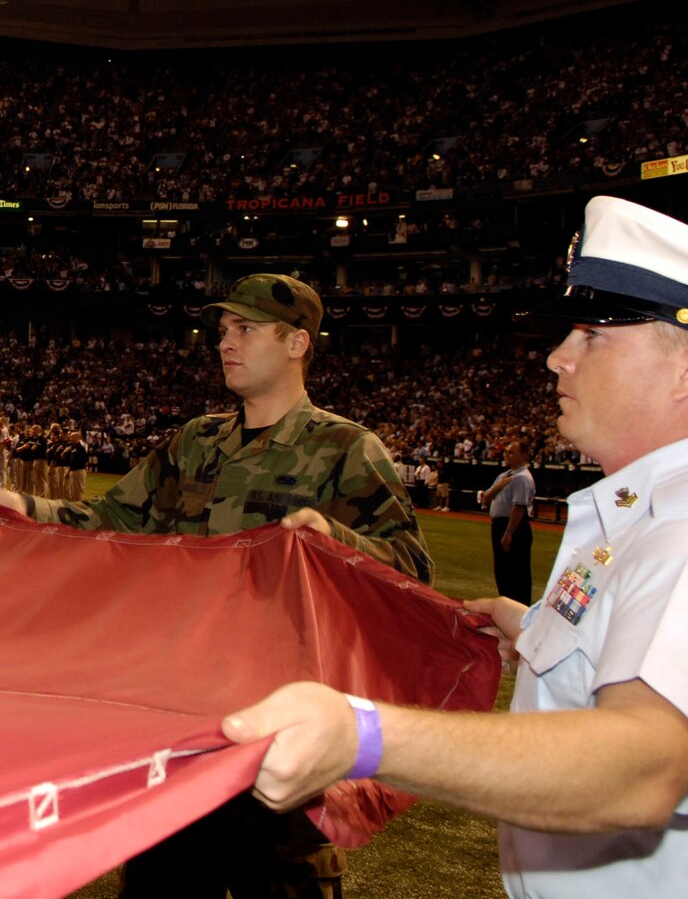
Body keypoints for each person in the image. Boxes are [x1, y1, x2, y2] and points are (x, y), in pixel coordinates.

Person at [222, 195, 688, 899]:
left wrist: (363, 737)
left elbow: (647, 768)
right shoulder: (638, 510)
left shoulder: (678, 522)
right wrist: (537, 629)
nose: (557, 357)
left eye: (593, 335)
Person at [0, 272, 430, 898]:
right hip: (181, 730)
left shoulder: (345, 449)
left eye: (245, 329)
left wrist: (334, 540)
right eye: (222, 330)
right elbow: (115, 520)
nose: (225, 342)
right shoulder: (196, 442)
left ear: (297, 343)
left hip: (282, 742)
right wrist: (25, 509)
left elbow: (410, 572)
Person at [480, 440, 537, 605]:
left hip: (513, 527)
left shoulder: (522, 478)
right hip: (498, 525)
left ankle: (518, 609)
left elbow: (518, 508)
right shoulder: (503, 476)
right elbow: (485, 500)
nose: (507, 455)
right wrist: (498, 486)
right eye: (506, 452)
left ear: (524, 455)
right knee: (502, 571)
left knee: (516, 573)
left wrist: (509, 533)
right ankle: (507, 606)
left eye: (511, 452)